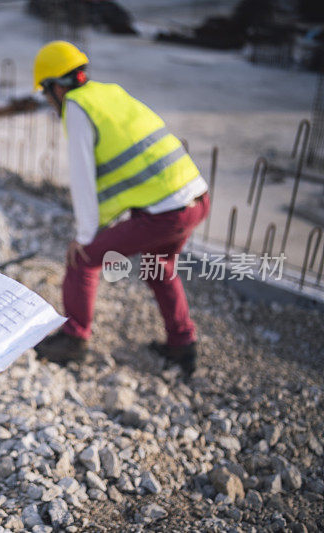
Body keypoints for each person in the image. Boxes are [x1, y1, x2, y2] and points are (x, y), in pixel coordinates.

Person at [31, 41, 210, 374]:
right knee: (159, 267)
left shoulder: (78, 108)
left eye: (45, 94)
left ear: (55, 87)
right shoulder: (108, 93)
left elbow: (83, 181)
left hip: (166, 211)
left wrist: (85, 238)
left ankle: (74, 338)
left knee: (83, 260)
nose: (49, 103)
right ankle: (182, 345)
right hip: (196, 197)